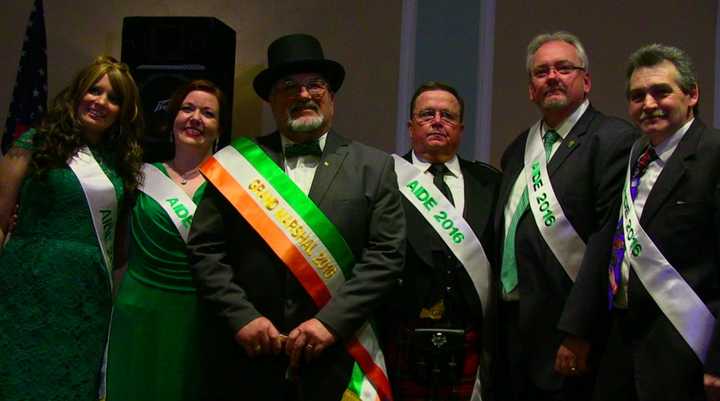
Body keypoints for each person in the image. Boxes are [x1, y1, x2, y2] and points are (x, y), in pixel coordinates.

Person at [187, 33, 405, 401]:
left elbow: (386, 257)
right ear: (271, 101)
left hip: (338, 356)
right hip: (249, 359)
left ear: (331, 97)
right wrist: (242, 317)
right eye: (289, 86)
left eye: (315, 85)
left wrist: (329, 324)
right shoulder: (236, 165)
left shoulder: (374, 166)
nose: (304, 95)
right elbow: (205, 250)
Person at [561, 43, 720, 401]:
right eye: (637, 96)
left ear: (692, 94)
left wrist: (718, 360)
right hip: (621, 345)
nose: (648, 104)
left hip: (687, 349)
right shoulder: (636, 156)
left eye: (661, 92)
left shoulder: (714, 154)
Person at [494, 31, 636, 401]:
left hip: (572, 336)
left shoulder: (614, 140)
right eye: (541, 72)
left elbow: (609, 243)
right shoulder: (516, 151)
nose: (552, 77)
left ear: (585, 81)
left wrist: (580, 331)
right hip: (515, 329)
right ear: (530, 89)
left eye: (564, 68)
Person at [0, 56, 143, 400]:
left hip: (86, 299)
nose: (101, 102)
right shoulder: (35, 143)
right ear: (78, 92)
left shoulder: (121, 163)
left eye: (114, 98)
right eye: (95, 90)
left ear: (122, 111)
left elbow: (120, 246)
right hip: (27, 287)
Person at [381, 81, 500, 401]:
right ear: (410, 127)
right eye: (427, 114)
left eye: (447, 116)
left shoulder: (490, 182)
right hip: (403, 333)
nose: (437, 121)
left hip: (469, 337)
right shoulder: (384, 178)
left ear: (461, 128)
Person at [107, 80, 224, 401]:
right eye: (187, 109)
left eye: (208, 113)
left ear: (219, 129)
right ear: (172, 119)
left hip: (196, 315)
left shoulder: (231, 187)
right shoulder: (139, 176)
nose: (195, 118)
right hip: (137, 310)